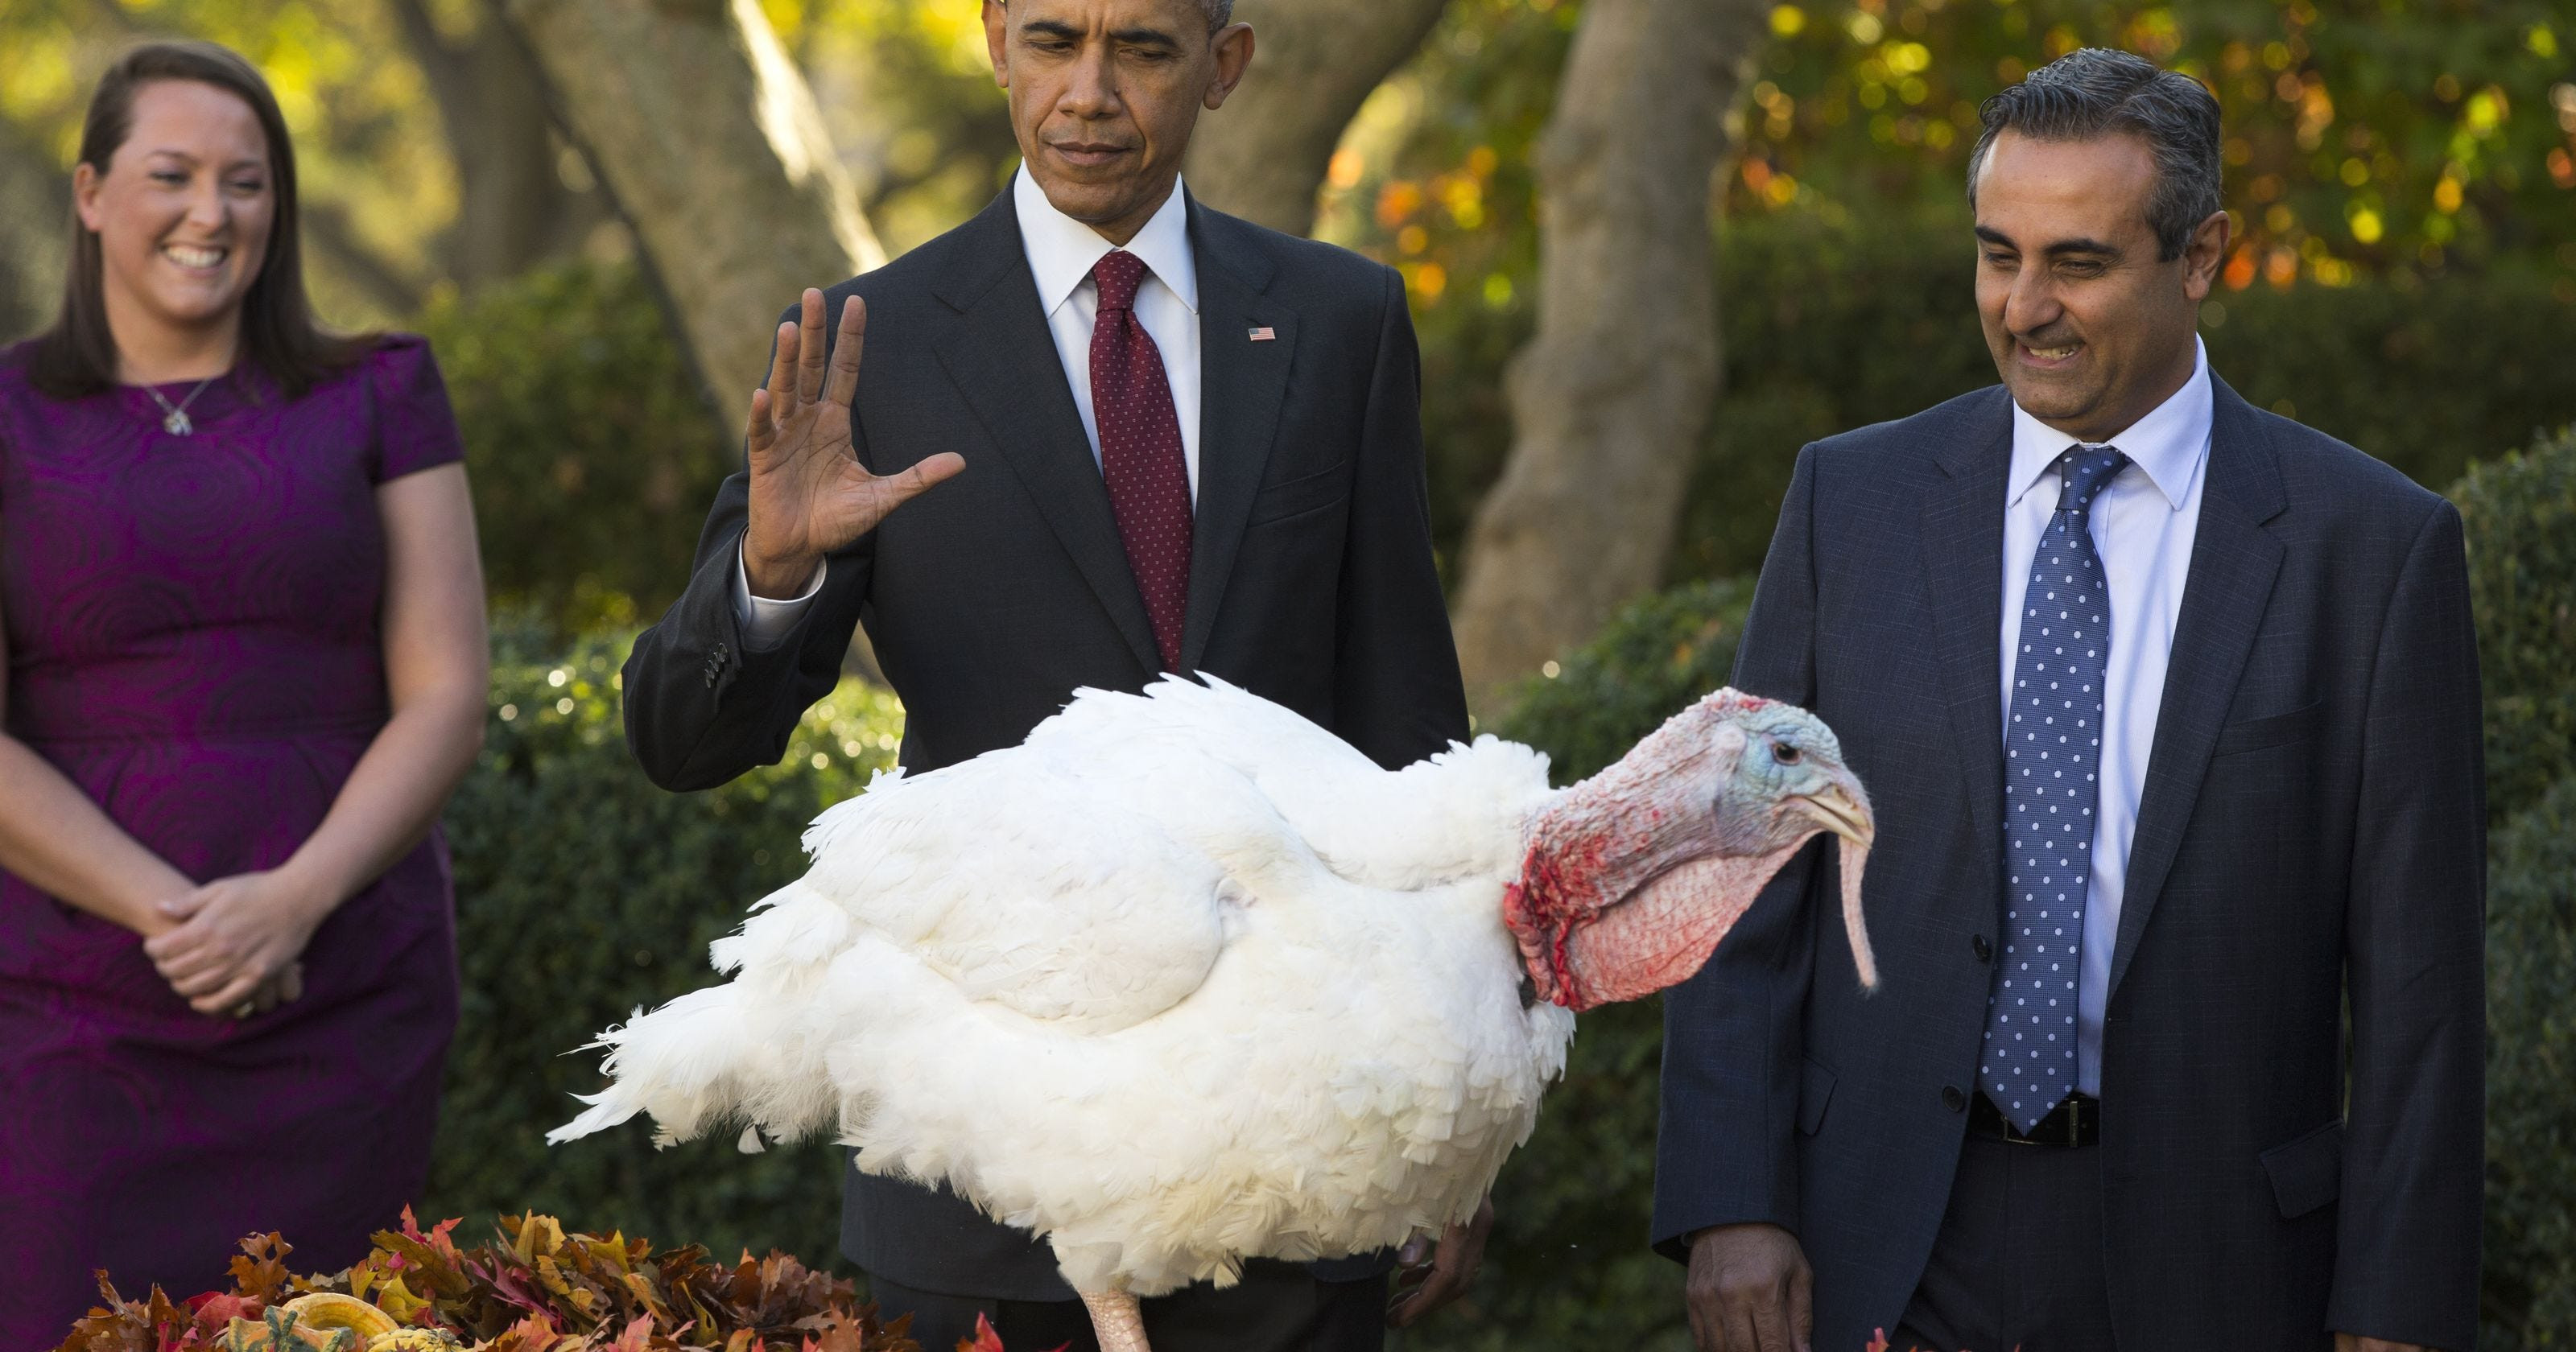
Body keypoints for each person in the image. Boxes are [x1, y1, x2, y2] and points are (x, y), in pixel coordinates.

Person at [619, 1, 1483, 1346]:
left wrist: (1453, 1107)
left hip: (1297, 1155)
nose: (1089, 91)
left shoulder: (1341, 320)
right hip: (987, 1185)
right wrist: (771, 578)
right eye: (1052, 41)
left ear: (1225, 66)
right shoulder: (872, 343)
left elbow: (1408, 729)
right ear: (993, 43)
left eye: (1140, 48)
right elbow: (682, 737)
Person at [1652, 48, 2483, 1352]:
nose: (2023, 306)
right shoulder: (1849, 504)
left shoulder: (2370, 549)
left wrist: (2395, 1309)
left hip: (2220, 1256)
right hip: (1884, 1237)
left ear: (2200, 257)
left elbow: (2420, 987)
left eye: (2078, 263)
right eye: (1998, 255)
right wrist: (1730, 1202)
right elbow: (1746, 873)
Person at [0, 40, 489, 1345]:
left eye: (247, 181)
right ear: (93, 191)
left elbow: (446, 691)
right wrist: (182, 920)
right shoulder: (5, 416)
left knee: (324, 1324)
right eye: (173, 175)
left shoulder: (379, 389)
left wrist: (288, 907)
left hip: (344, 982)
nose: (212, 213)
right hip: (70, 997)